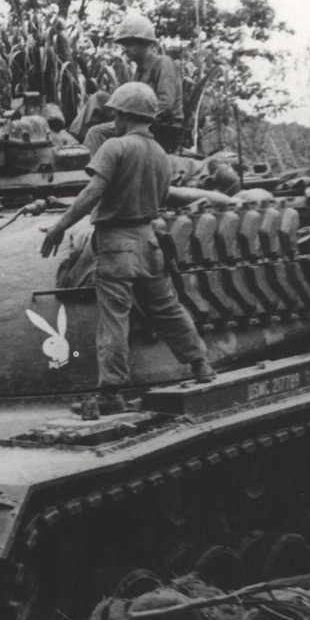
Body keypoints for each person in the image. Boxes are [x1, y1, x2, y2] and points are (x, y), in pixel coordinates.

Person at [40, 82, 217, 415]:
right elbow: (163, 198)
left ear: (124, 115)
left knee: (113, 320)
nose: (114, 120)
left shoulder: (115, 147)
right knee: (168, 308)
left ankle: (111, 393)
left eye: (116, 114)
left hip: (116, 243)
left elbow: (91, 193)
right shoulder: (162, 155)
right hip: (150, 241)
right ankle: (200, 364)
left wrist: (58, 227)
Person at [84, 13, 185, 154]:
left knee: (96, 133)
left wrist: (132, 117)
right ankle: (71, 136)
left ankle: (95, 172)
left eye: (130, 44)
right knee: (100, 98)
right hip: (144, 122)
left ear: (145, 43)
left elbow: (166, 105)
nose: (125, 49)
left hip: (163, 128)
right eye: (124, 44)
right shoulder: (139, 71)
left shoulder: (163, 63)